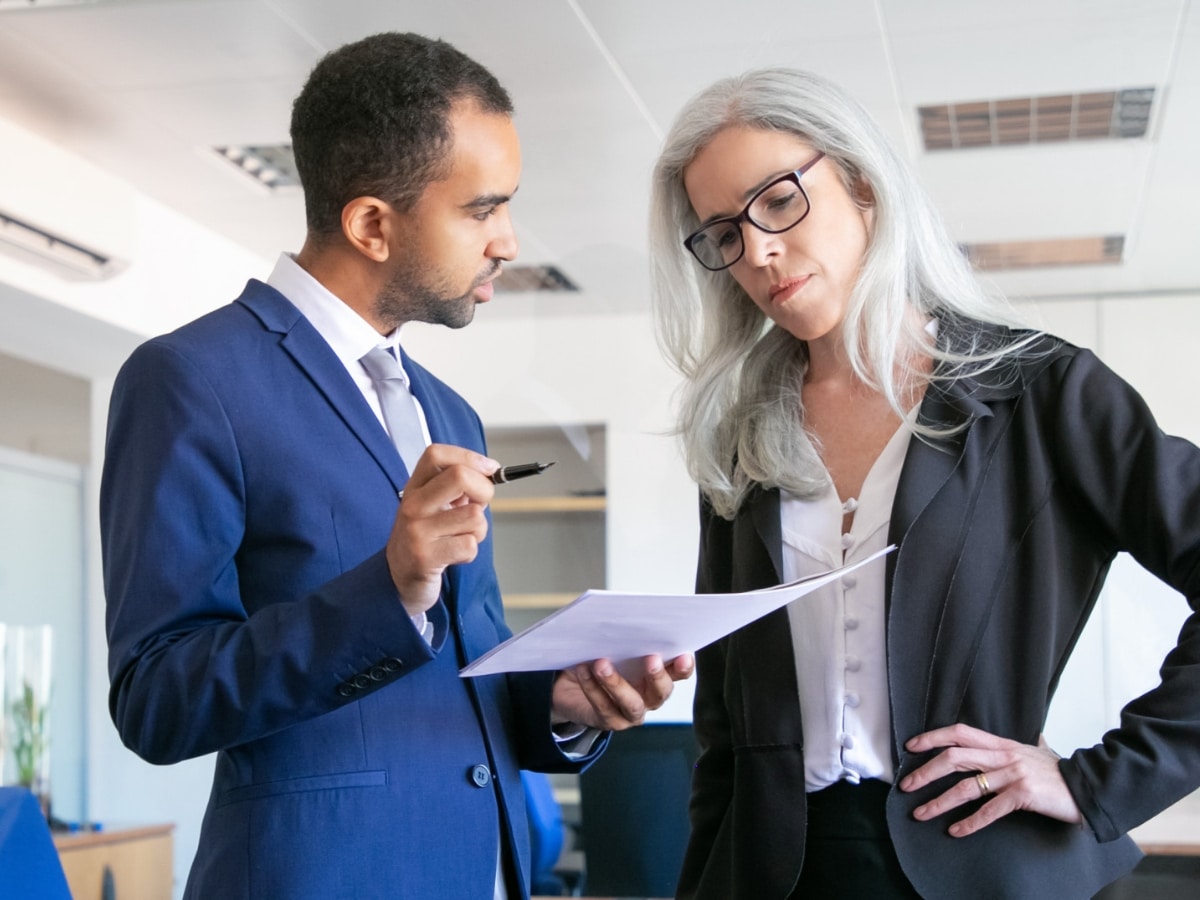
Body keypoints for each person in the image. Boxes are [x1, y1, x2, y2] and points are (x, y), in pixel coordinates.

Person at [101, 32, 691, 900]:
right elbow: (156, 698)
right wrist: (390, 588)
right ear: (372, 223)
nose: (509, 241)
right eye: (483, 209)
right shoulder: (190, 379)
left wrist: (562, 701)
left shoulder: (448, 411)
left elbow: (467, 671)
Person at [648, 66, 1200, 900]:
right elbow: (724, 726)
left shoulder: (1040, 391)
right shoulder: (742, 431)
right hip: (773, 871)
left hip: (982, 863)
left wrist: (1101, 781)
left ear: (862, 186)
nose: (757, 250)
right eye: (723, 231)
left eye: (778, 201)